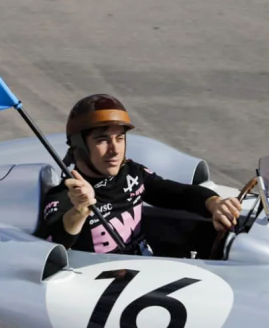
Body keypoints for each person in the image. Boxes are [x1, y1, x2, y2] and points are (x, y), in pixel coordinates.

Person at [38, 93, 242, 256]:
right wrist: (80, 210)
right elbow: (56, 241)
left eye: (119, 138)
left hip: (144, 269)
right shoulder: (66, 195)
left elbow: (176, 193)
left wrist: (214, 203)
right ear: (80, 147)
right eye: (102, 140)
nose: (115, 150)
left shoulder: (132, 174)